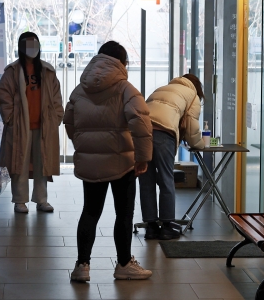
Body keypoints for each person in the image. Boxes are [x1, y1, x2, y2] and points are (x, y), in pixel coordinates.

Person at [63, 41, 153, 282]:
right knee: (123, 214)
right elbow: (140, 122)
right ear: (122, 62)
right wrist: (143, 157)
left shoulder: (80, 88)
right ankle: (124, 264)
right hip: (122, 163)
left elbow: (69, 120)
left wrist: (84, 145)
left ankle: (82, 266)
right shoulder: (125, 88)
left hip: (91, 162)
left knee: (90, 212)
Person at [0, 31, 63, 214]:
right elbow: (2, 95)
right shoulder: (13, 71)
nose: (32, 48)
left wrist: (56, 117)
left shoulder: (47, 71)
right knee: (20, 164)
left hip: (43, 126)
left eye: (35, 44)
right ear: (21, 47)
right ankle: (20, 201)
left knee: (42, 164)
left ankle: (42, 200)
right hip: (19, 126)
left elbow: (56, 96)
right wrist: (9, 118)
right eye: (28, 44)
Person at [139, 73, 205, 240]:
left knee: (146, 181)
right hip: (163, 134)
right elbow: (191, 127)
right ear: (196, 87)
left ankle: (151, 227)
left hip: (142, 134)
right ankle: (168, 226)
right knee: (166, 179)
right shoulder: (192, 95)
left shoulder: (161, 88)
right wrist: (199, 144)